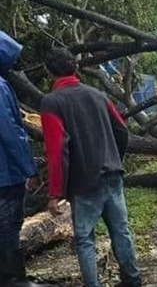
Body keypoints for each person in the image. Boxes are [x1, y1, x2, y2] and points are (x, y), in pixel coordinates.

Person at [40, 48, 141, 287]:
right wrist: (116, 159)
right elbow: (121, 130)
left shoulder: (51, 102)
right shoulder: (98, 95)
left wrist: (55, 193)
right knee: (121, 231)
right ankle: (133, 280)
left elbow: (56, 150)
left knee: (85, 239)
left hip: (84, 182)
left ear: (48, 72)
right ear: (75, 68)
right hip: (112, 174)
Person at [0, 31, 54, 287]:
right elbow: (10, 132)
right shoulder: (0, 88)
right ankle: (14, 279)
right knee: (9, 222)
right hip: (5, 171)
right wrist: (29, 168)